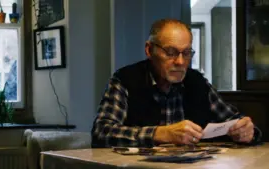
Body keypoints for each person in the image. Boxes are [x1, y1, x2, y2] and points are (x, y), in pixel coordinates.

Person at [91, 19, 262, 148]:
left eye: (186, 53)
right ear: (149, 50)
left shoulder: (197, 82)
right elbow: (101, 133)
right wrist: (160, 134)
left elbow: (238, 122)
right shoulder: (125, 79)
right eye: (171, 52)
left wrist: (247, 131)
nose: (180, 62)